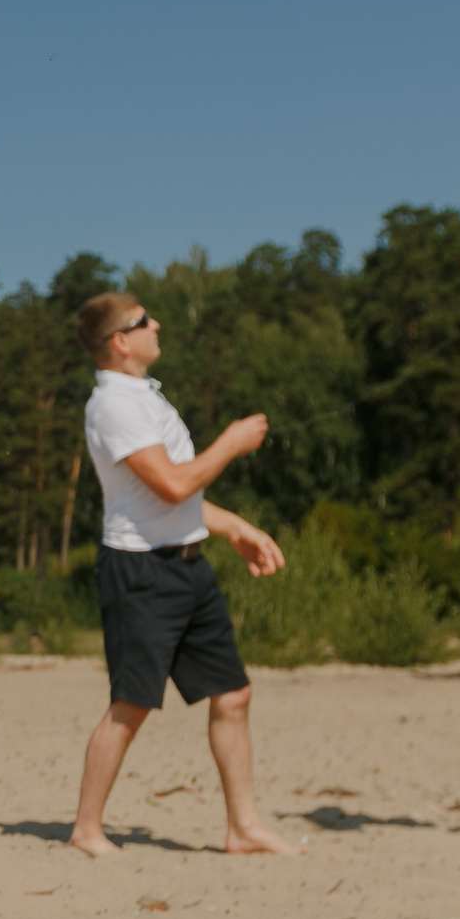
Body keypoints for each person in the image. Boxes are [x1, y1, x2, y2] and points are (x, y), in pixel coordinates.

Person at [68, 294, 301, 858]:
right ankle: (87, 830)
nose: (157, 324)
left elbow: (174, 500)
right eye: (145, 320)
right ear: (121, 341)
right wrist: (231, 443)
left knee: (233, 694)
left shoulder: (144, 397)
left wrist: (233, 528)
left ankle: (243, 827)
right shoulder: (112, 406)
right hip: (140, 572)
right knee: (132, 704)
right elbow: (172, 485)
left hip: (188, 566)